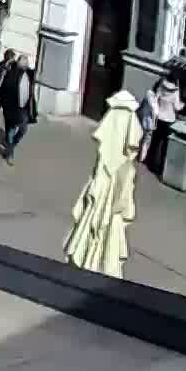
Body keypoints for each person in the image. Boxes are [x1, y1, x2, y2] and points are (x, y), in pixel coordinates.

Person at [64, 89, 142, 278]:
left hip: (103, 187)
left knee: (97, 218)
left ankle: (88, 264)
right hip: (111, 194)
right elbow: (123, 205)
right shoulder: (125, 169)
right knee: (109, 227)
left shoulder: (108, 167)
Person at [0, 51, 36, 164]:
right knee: (10, 131)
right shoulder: (11, 73)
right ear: (19, 64)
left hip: (24, 108)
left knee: (23, 129)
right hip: (11, 108)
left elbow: (30, 90)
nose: (25, 65)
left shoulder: (28, 74)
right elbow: (4, 89)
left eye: (26, 63)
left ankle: (11, 145)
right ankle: (10, 154)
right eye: (24, 63)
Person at [142, 73, 182, 176]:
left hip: (159, 118)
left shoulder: (161, 87)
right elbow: (177, 107)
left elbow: (156, 98)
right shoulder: (175, 91)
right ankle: (160, 169)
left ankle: (149, 163)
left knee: (155, 142)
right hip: (169, 121)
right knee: (165, 147)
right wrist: (183, 105)